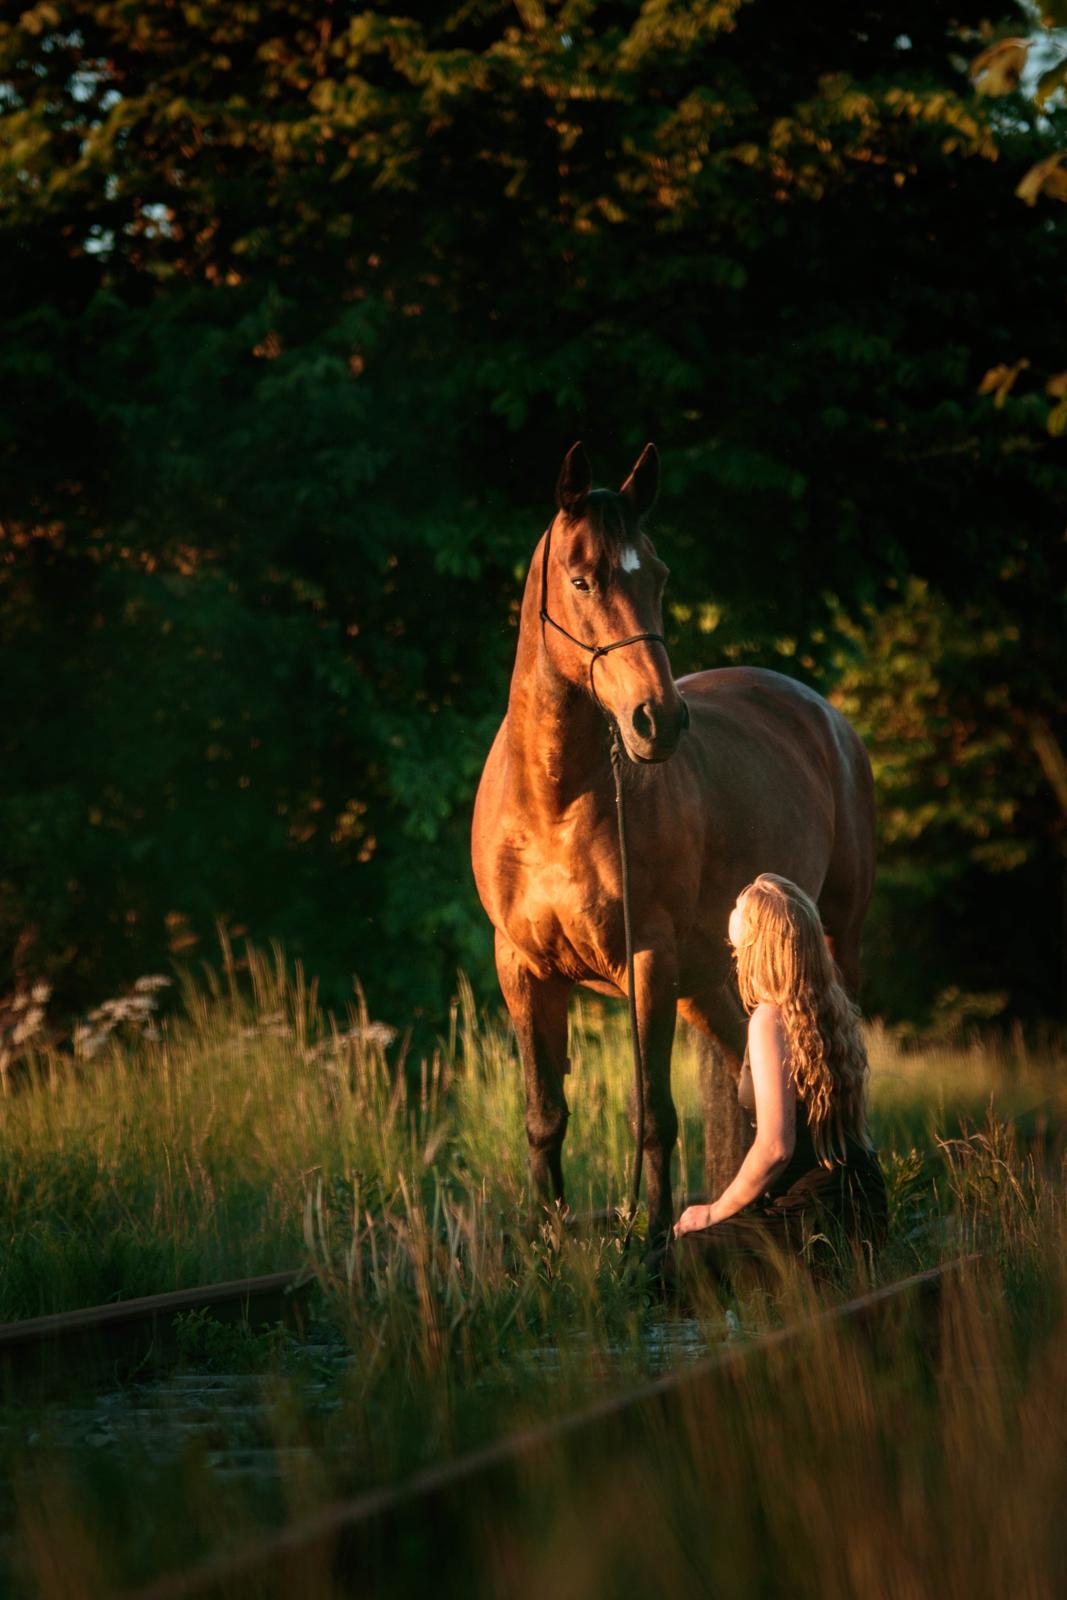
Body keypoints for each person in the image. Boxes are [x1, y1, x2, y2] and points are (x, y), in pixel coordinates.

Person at [670, 873, 887, 1284]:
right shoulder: (833, 1008)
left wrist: (714, 1211)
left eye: (741, 934)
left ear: (759, 947)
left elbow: (775, 1148)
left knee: (669, 1265)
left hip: (809, 1221)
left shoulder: (770, 1020)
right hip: (866, 1210)